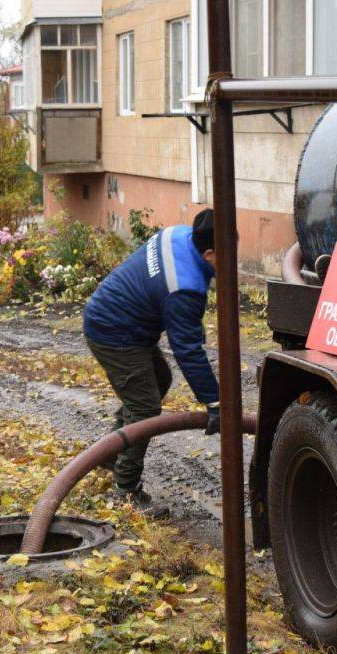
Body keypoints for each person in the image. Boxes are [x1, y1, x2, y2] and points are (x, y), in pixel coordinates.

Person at [83, 209, 220, 516]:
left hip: (119, 319)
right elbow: (187, 350)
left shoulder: (180, 233)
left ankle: (112, 453)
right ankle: (126, 491)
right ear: (209, 252)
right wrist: (214, 401)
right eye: (227, 254)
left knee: (160, 381)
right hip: (113, 333)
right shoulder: (184, 287)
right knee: (145, 407)